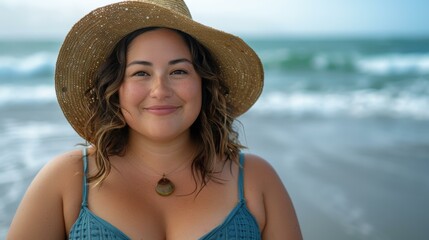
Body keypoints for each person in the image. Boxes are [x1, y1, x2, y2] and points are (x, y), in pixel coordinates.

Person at [7, 0, 302, 239]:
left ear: (204, 83)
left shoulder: (256, 180)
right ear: (115, 88)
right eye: (141, 73)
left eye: (178, 71)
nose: (160, 90)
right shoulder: (67, 180)